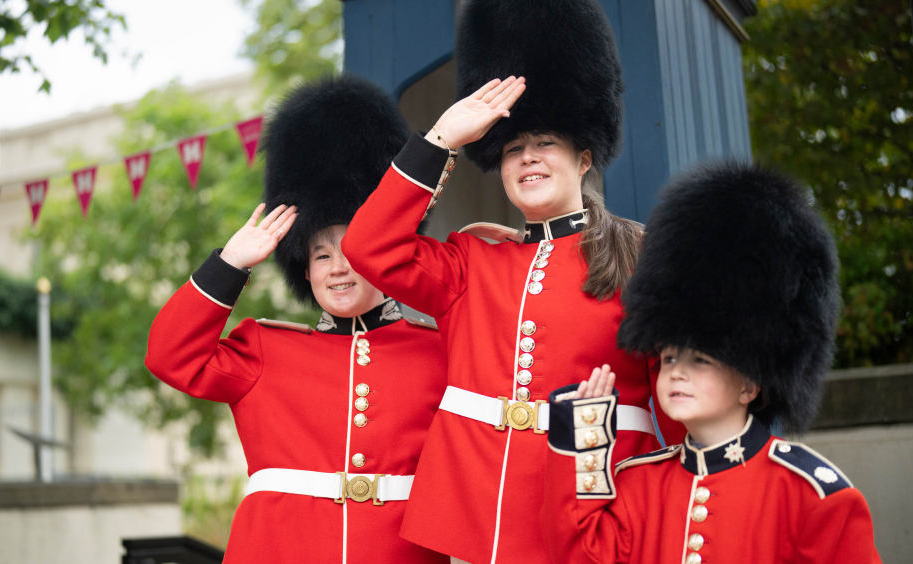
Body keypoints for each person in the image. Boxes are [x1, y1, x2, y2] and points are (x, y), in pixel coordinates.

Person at [341, 1, 683, 562]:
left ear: (583, 156)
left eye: (545, 143)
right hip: (479, 516)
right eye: (513, 149)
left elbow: (678, 407)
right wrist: (440, 140)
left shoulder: (641, 257)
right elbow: (367, 247)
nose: (528, 159)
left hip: (590, 511)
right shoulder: (472, 260)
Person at [145, 75, 449, 564]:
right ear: (304, 270)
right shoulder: (266, 349)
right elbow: (168, 356)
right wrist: (231, 264)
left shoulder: (440, 350)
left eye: (351, 248)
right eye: (321, 255)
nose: (339, 267)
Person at [541, 162, 882, 564]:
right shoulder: (637, 482)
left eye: (700, 359)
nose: (676, 373)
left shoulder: (812, 494)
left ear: (750, 384)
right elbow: (579, 555)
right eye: (668, 358)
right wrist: (584, 437)